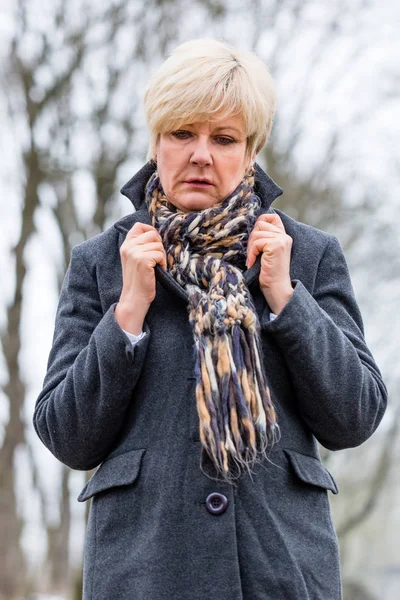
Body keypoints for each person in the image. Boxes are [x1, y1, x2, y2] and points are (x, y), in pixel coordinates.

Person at [33, 39, 387, 600]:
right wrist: (127, 313)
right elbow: (67, 435)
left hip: (281, 574)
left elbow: (356, 417)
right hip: (145, 575)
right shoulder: (102, 263)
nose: (201, 154)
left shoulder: (308, 255)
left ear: (251, 150)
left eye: (223, 139)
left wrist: (286, 298)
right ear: (156, 142)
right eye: (182, 133)